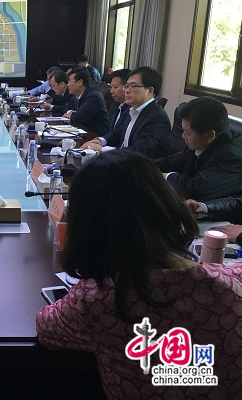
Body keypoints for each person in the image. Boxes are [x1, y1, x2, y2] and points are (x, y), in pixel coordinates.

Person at [36, 150, 242, 399]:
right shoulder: (232, 283)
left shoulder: (96, 300)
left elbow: (45, 327)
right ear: (167, 203)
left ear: (85, 227)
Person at [155, 96, 242, 200]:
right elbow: (174, 162)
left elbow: (196, 189)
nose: (183, 136)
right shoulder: (200, 143)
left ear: (210, 135)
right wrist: (143, 164)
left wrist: (166, 176)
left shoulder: (232, 158)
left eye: (187, 132)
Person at [81, 66, 171, 159]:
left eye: (133, 86)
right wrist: (101, 140)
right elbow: (118, 133)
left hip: (141, 165)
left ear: (150, 91)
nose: (127, 90)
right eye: (127, 86)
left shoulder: (157, 117)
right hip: (124, 160)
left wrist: (102, 149)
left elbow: (138, 151)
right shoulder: (132, 109)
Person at [62, 68, 109, 136]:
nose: (67, 85)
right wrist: (70, 112)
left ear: (80, 82)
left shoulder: (94, 96)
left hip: (96, 135)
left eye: (69, 81)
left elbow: (78, 117)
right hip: (82, 132)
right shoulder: (76, 95)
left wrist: (71, 115)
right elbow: (65, 107)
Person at [106, 68, 131, 132]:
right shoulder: (115, 105)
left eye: (115, 87)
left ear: (126, 87)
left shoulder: (132, 109)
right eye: (111, 87)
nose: (111, 91)